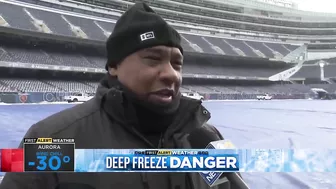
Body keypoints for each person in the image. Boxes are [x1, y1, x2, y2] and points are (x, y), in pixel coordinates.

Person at [0, 2, 241, 189]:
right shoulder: (51, 141)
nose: (171, 75)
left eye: (177, 64)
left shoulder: (206, 138)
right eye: (153, 59)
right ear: (114, 66)